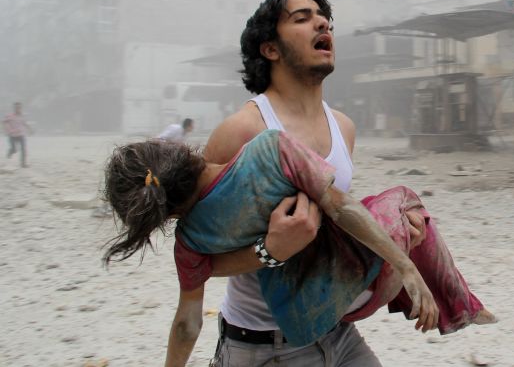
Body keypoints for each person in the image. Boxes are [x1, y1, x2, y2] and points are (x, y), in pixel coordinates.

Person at [182, 0, 434, 366]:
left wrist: (397, 237)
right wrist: (270, 250)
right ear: (270, 48)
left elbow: (336, 223)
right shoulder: (242, 131)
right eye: (302, 18)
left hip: (337, 332)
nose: (321, 22)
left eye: (324, 18)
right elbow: (197, 262)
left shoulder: (344, 127)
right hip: (262, 346)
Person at [103, 129, 493, 366]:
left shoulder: (188, 244)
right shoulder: (269, 150)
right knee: (403, 199)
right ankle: (458, 307)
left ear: (164, 214)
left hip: (311, 318)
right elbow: (341, 207)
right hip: (359, 292)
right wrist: (408, 268)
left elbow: (188, 323)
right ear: (175, 151)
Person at [4, 102, 32, 168]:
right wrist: (6, 130)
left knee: (23, 149)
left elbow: (25, 123)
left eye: (19, 107)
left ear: (21, 108)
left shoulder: (22, 116)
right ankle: (10, 151)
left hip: (21, 135)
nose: (18, 108)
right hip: (12, 135)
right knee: (14, 149)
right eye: (16, 107)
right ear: (14, 108)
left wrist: (30, 129)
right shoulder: (10, 116)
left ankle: (23, 164)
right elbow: (4, 122)